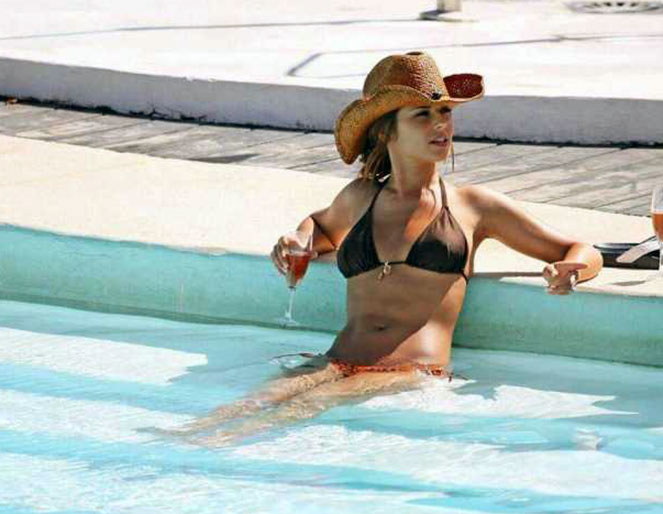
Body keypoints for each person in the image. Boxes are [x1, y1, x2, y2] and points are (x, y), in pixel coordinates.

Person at [171, 51, 603, 446]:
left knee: (285, 416)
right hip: (335, 359)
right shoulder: (360, 197)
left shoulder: (473, 206)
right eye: (423, 114)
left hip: (412, 370)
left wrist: (572, 269)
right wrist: (298, 240)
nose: (441, 124)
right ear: (387, 132)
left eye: (445, 112)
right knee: (236, 411)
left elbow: (579, 248)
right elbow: (320, 226)